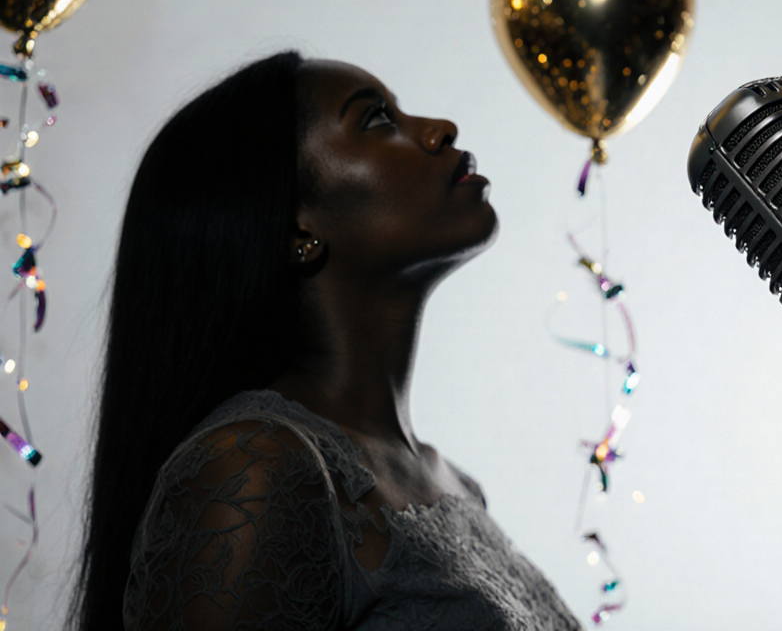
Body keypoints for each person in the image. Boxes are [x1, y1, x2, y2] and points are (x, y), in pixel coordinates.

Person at [71, 51, 583, 630]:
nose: (440, 130)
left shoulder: (457, 487)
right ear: (297, 229)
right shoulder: (253, 470)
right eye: (377, 119)